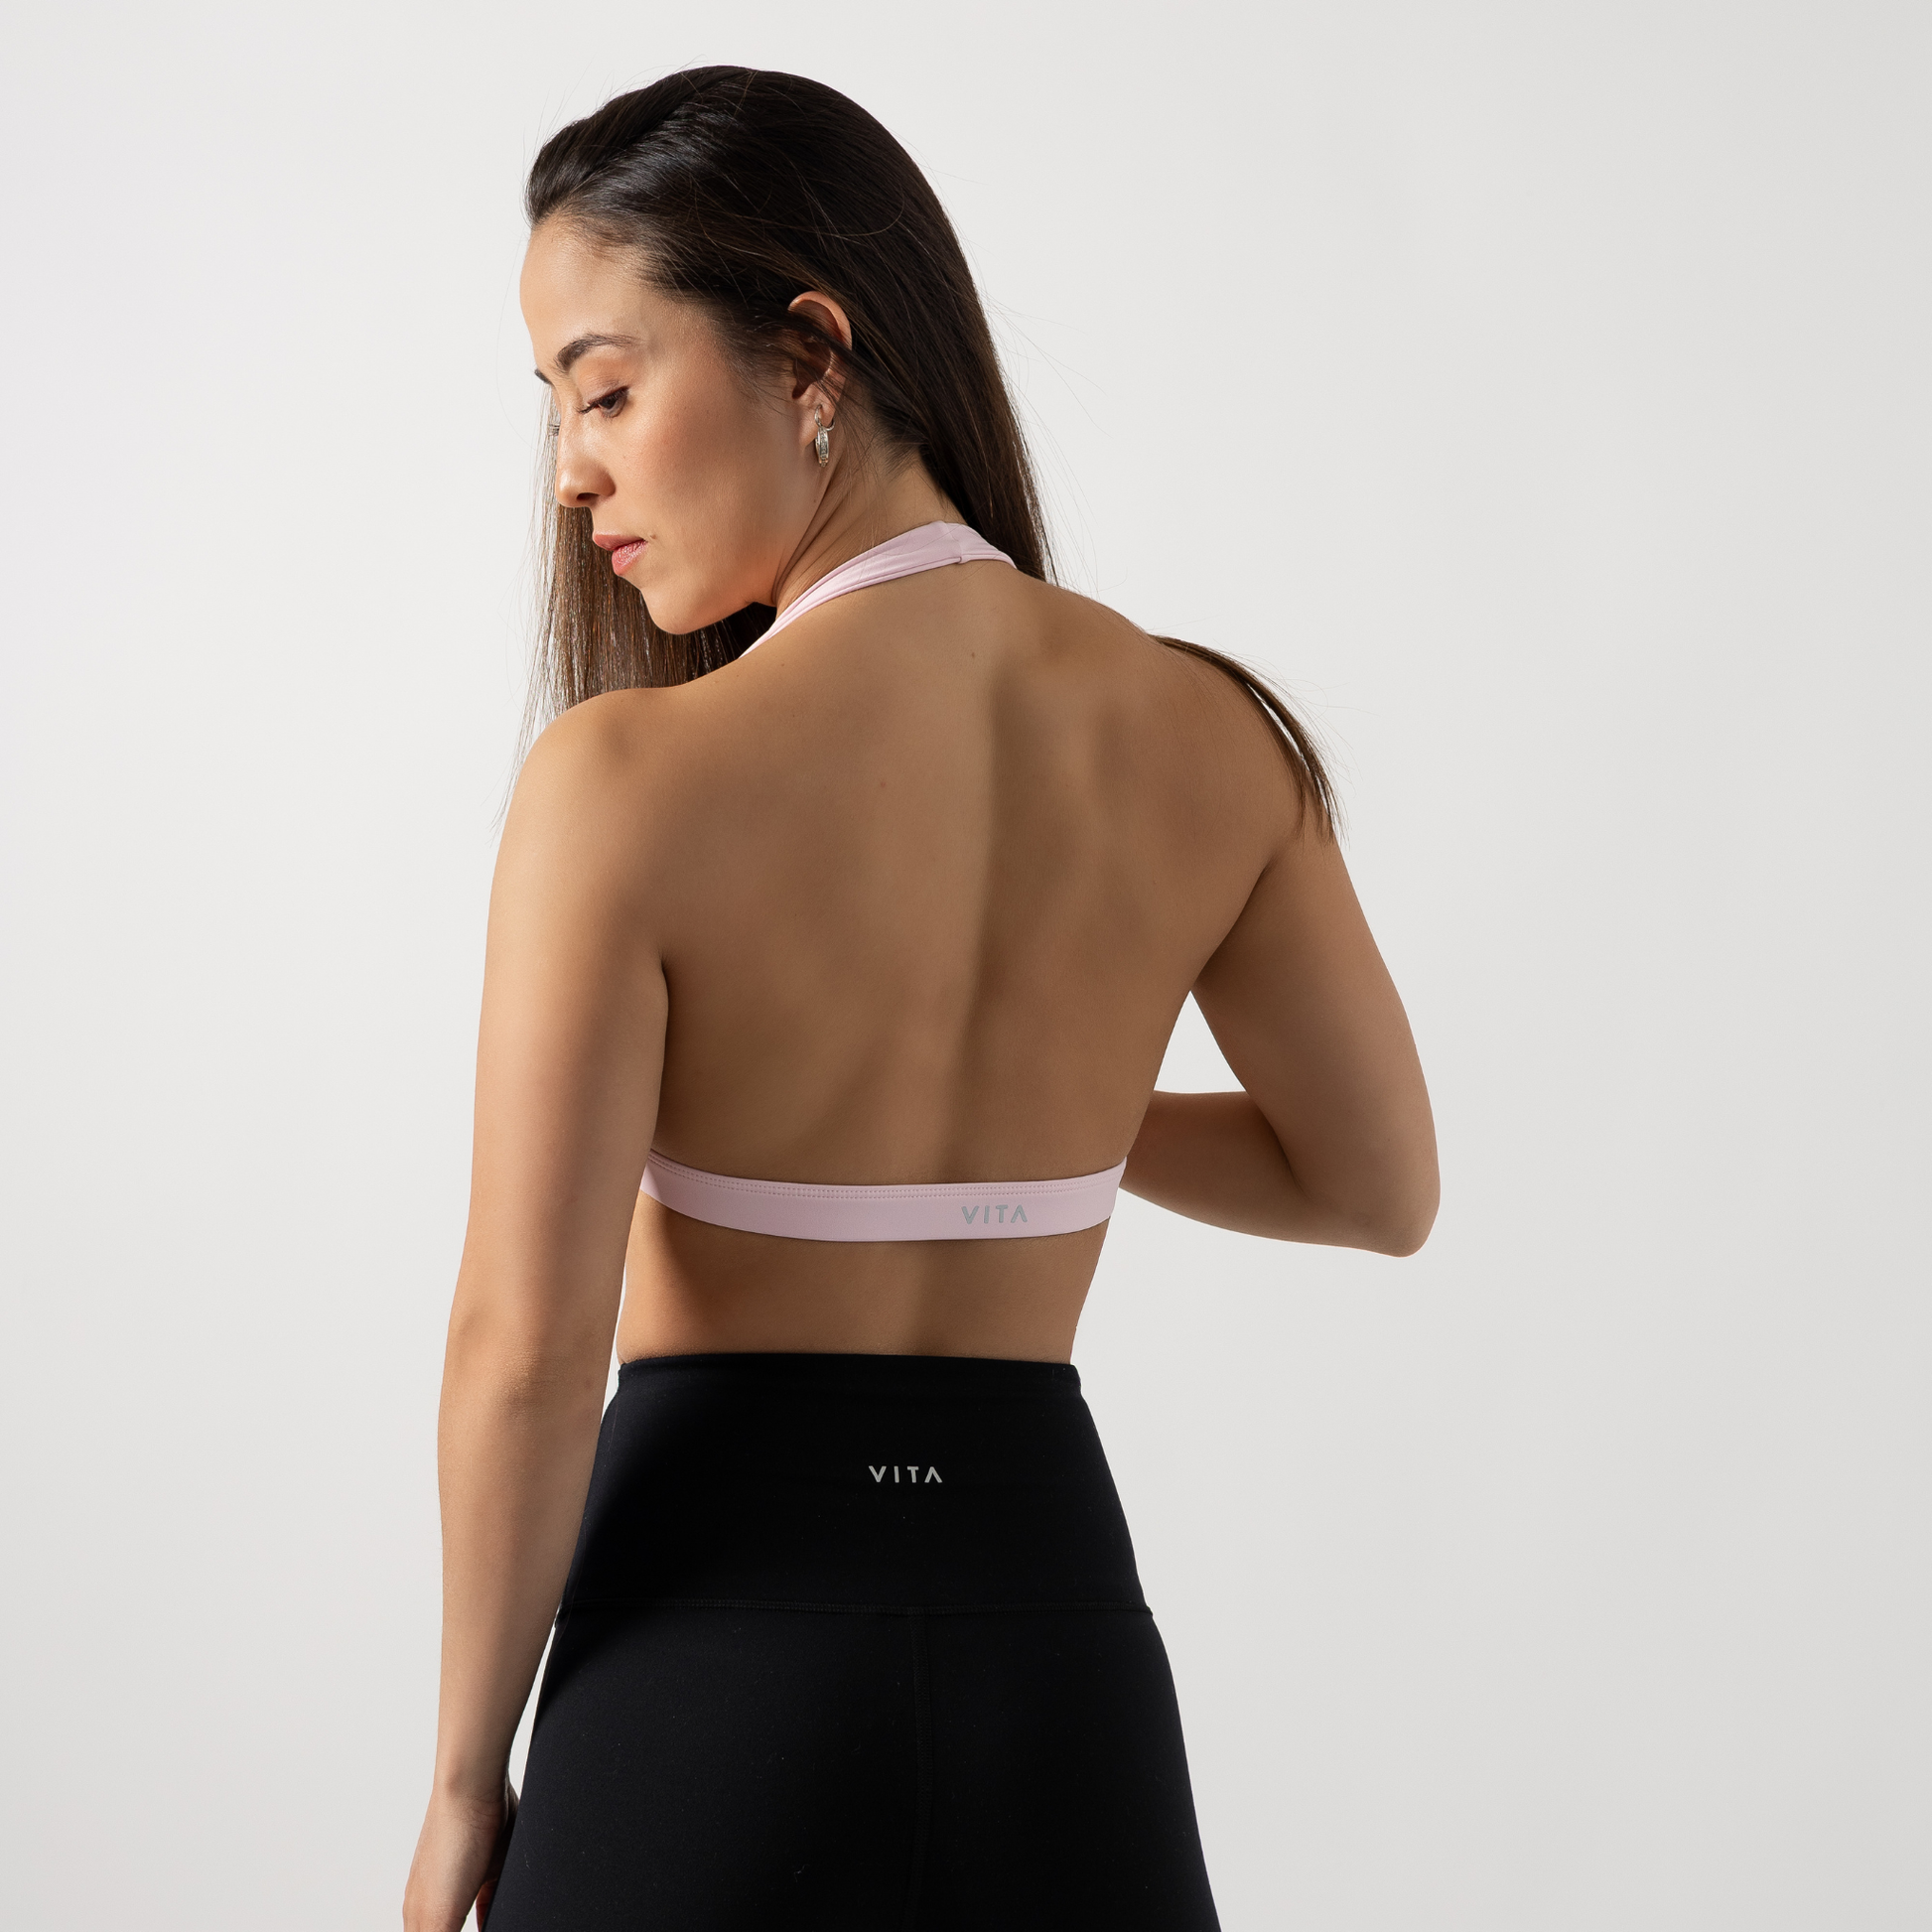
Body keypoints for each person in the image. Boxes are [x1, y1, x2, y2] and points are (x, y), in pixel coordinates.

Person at [402, 65, 1438, 1932]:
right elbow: (1371, 1186)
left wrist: (468, 1782)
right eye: (555, 408)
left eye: (606, 391)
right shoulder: (1212, 736)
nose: (569, 471)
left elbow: (527, 1350)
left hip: (705, 1662)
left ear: (812, 351)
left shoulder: (624, 782)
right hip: (1058, 1662)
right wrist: (1053, 1110)